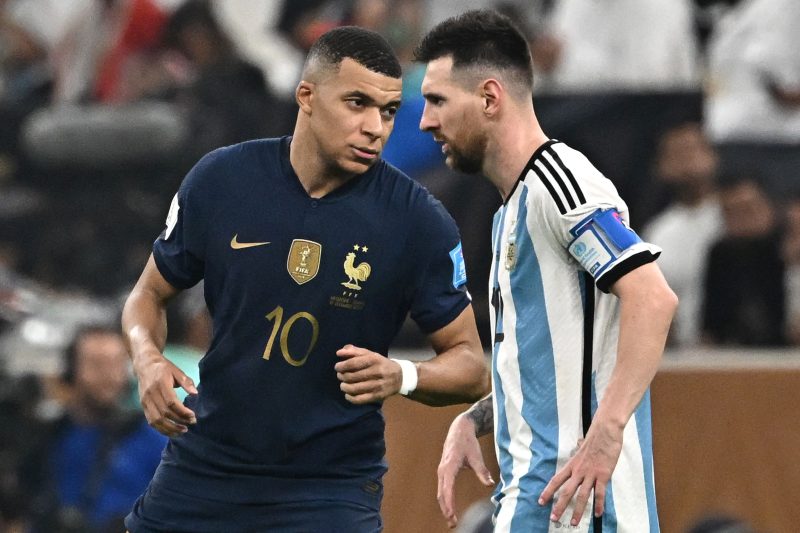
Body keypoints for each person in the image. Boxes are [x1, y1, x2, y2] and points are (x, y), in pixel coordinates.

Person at [121, 25, 489, 532]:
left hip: (327, 489)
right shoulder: (222, 180)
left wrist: (403, 375)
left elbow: (471, 365)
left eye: (387, 111)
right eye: (357, 103)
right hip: (206, 465)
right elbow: (148, 294)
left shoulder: (418, 221)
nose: (375, 128)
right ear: (307, 96)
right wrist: (146, 358)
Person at [414, 10, 677, 532]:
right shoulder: (512, 210)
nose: (425, 121)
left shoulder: (560, 183)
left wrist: (606, 434)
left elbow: (652, 298)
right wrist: (477, 417)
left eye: (437, 100)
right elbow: (555, 367)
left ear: (490, 98)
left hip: (584, 509)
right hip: (537, 503)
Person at [24, 325, 167, 533]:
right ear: (70, 371)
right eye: (96, 365)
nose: (108, 376)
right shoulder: (48, 436)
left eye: (116, 365)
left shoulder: (151, 438)